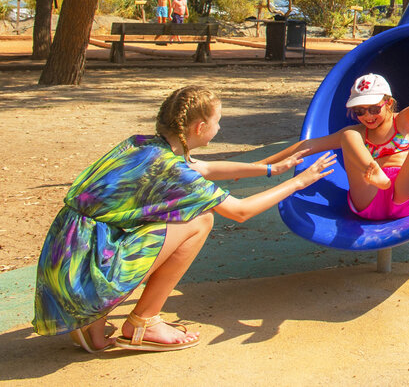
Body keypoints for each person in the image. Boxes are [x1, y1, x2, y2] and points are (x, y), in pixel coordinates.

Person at [34, 86, 335, 353]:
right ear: (200, 127)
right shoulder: (176, 172)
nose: (220, 126)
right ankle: (144, 321)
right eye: (218, 121)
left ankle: (93, 323)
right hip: (87, 271)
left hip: (66, 259)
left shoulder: (144, 145)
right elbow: (240, 211)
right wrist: (299, 182)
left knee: (171, 219)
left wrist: (270, 169)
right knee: (201, 220)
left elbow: (204, 168)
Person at [262, 68, 409, 219]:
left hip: (404, 193)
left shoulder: (403, 121)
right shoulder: (358, 132)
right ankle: (372, 168)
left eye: (374, 109)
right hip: (369, 198)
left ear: (388, 103)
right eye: (360, 111)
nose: (368, 116)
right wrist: (264, 165)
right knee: (348, 136)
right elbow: (308, 145)